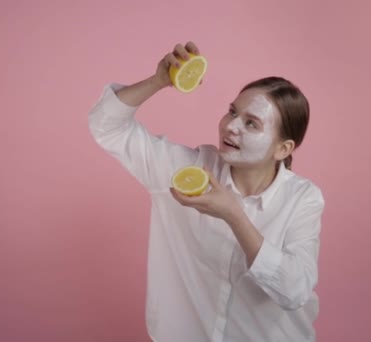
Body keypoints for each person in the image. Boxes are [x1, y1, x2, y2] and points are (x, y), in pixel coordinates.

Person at [88, 41, 325, 342]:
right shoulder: (187, 171)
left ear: (283, 148)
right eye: (232, 112)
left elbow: (294, 291)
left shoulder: (303, 199)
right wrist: (159, 80)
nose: (230, 126)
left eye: (251, 124)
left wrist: (234, 215)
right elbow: (106, 126)